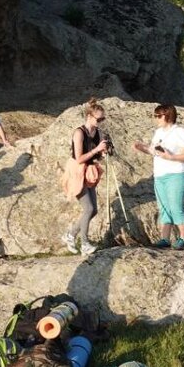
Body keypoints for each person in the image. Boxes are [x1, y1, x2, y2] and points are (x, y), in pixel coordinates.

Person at [132, 104, 184, 248]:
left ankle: (183, 238)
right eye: (155, 116)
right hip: (159, 175)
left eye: (158, 116)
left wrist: (170, 157)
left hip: (175, 174)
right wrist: (141, 147)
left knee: (175, 207)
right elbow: (154, 151)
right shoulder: (158, 132)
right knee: (163, 207)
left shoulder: (179, 131)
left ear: (167, 115)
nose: (156, 118)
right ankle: (165, 239)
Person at [60, 99, 111, 256]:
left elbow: (96, 157)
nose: (101, 122)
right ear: (89, 116)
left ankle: (70, 234)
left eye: (103, 119)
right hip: (76, 170)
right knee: (87, 208)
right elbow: (79, 158)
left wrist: (104, 152)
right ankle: (85, 244)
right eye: (99, 119)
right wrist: (97, 149)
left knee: (93, 210)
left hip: (89, 171)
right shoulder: (79, 133)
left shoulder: (98, 133)